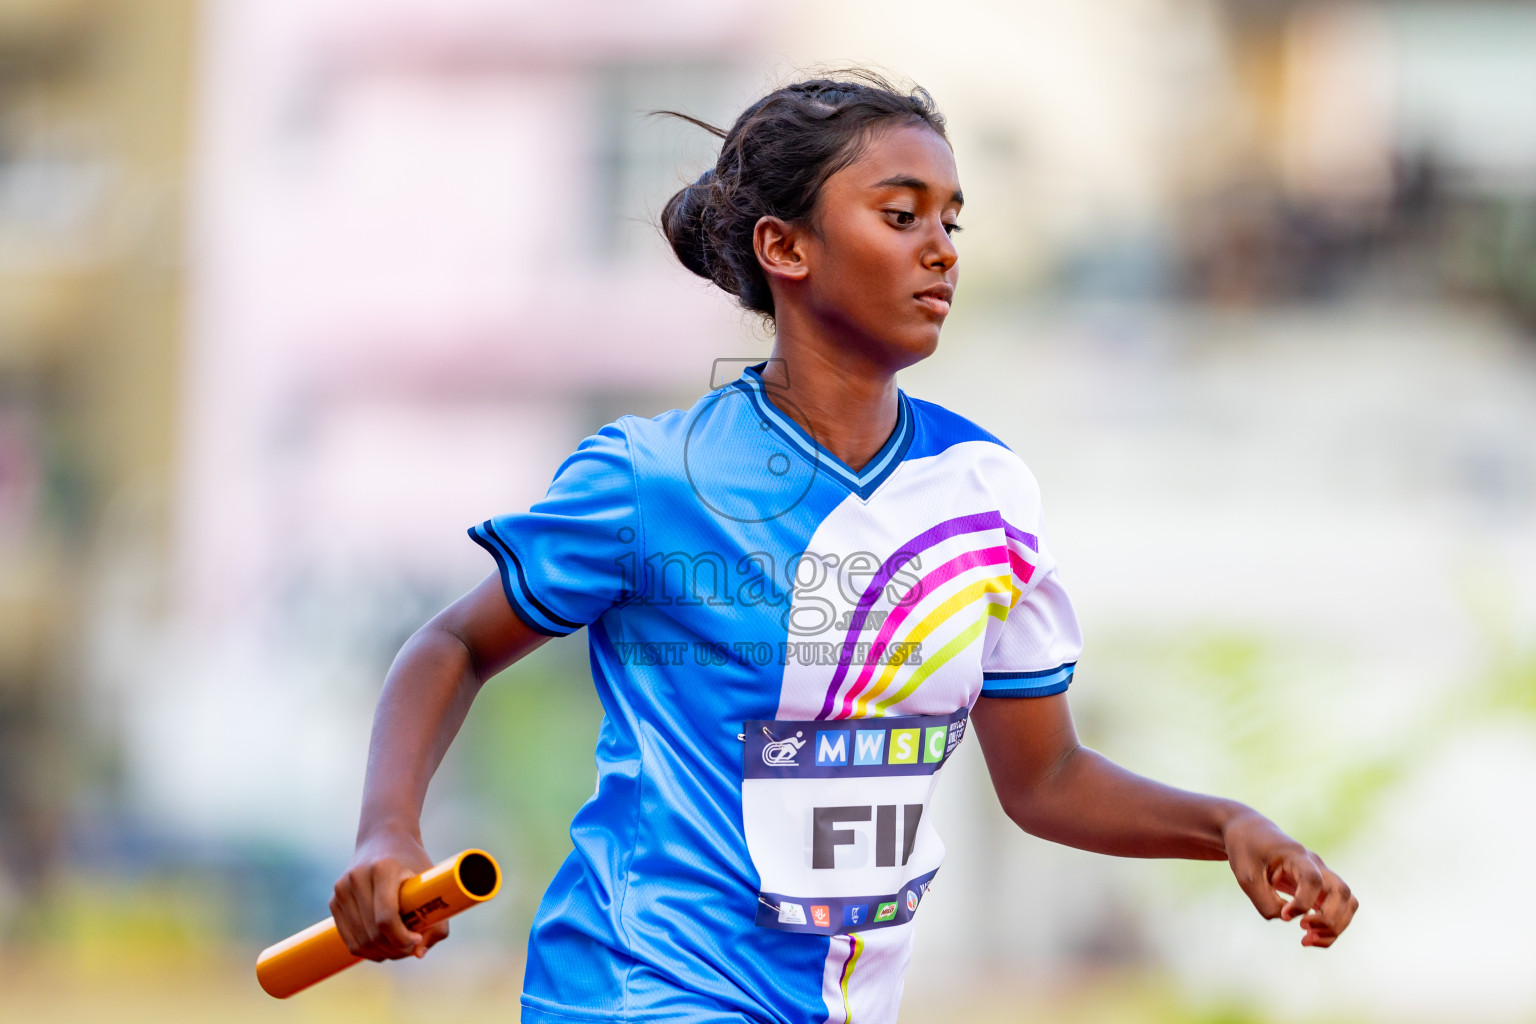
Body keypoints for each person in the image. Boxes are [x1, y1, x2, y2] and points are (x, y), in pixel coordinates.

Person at [329, 73, 1357, 1024]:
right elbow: (453, 645)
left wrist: (1225, 823)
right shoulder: (655, 479)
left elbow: (1045, 780)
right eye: (901, 214)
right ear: (787, 248)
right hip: (640, 985)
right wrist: (387, 832)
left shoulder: (985, 493)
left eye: (952, 220)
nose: (943, 246)